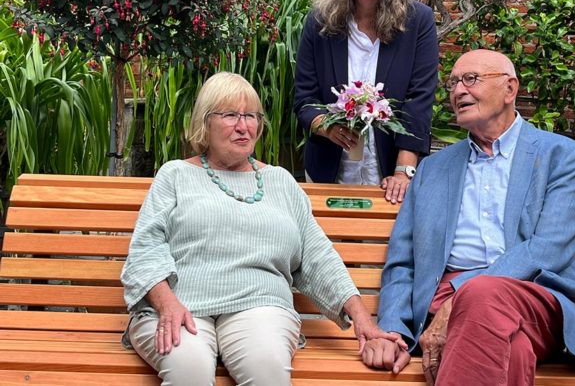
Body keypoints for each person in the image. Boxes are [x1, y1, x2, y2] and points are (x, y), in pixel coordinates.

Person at [121, 72, 398, 386]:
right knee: (189, 370)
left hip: (260, 305)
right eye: (230, 115)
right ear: (205, 123)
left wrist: (362, 318)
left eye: (251, 116)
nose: (244, 126)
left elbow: (317, 255)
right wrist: (166, 303)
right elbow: (146, 247)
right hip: (182, 305)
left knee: (266, 368)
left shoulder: (281, 182)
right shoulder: (175, 176)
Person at [361, 50, 575, 385]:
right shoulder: (432, 169)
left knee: (482, 296)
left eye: (471, 79)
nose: (458, 91)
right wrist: (392, 330)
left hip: (534, 297)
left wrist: (466, 293)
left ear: (510, 89)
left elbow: (549, 248)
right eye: (452, 83)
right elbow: (402, 262)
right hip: (445, 303)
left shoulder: (561, 157)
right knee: (515, 352)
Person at [294, 0, 439, 204]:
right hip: (328, 173)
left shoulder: (418, 22)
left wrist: (403, 171)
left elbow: (419, 100)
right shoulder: (319, 22)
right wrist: (328, 126)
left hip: (389, 177)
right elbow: (304, 99)